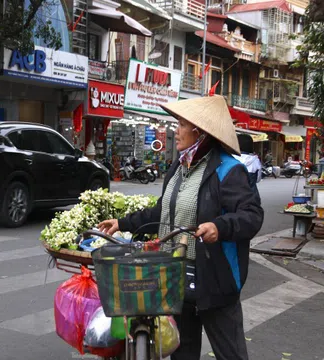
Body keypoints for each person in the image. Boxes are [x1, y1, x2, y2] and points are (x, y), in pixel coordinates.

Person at [98, 95, 264, 360]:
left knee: (230, 353)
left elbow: (252, 215)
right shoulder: (180, 166)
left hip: (215, 282)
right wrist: (123, 223)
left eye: (182, 124)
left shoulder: (229, 170)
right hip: (176, 278)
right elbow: (162, 212)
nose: (176, 130)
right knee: (182, 352)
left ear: (200, 132)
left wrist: (219, 227)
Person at [233, 134, 262, 201]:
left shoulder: (231, 159)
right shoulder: (255, 160)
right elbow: (258, 179)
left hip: (233, 197)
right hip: (252, 197)